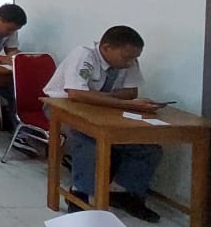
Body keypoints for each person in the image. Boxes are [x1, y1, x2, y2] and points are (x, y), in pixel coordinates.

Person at [44, 26, 165, 222]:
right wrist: (120, 102)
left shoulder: (129, 61)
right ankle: (79, 194)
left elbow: (131, 92)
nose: (130, 63)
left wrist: (97, 97)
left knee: (148, 149)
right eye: (126, 57)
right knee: (89, 140)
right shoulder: (84, 55)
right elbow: (75, 93)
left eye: (134, 58)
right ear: (106, 47)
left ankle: (121, 191)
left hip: (104, 112)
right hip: (62, 108)